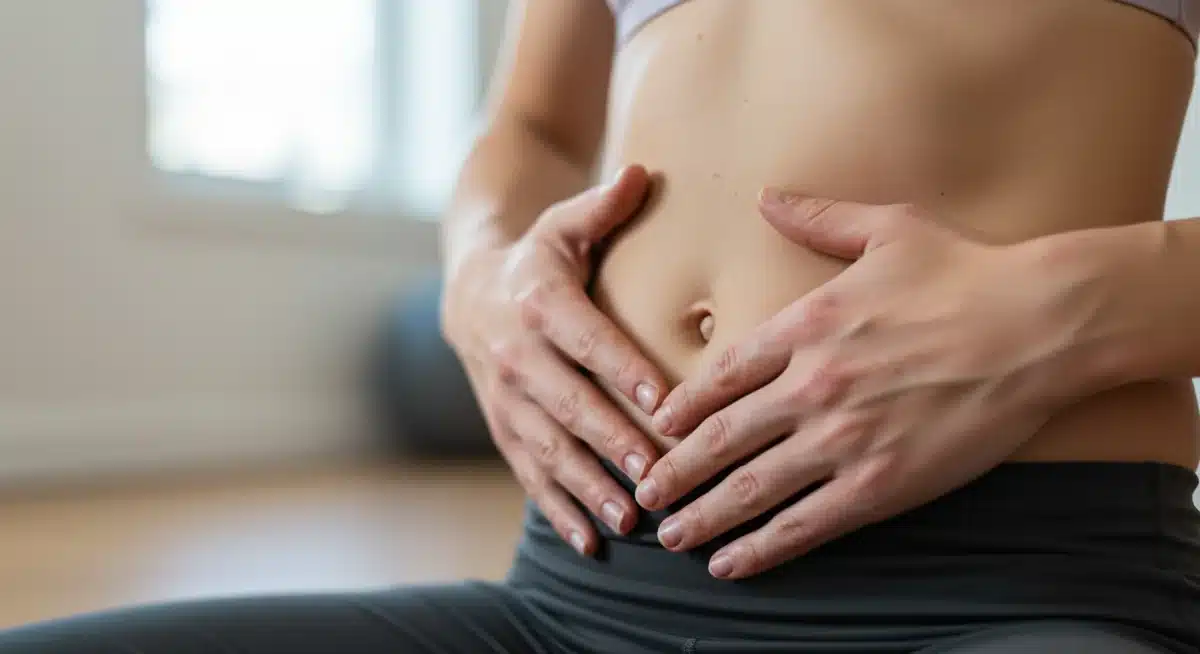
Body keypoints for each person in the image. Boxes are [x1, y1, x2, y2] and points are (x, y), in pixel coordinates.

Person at [4, 0, 1200, 652]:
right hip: (579, 598)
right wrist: (481, 276)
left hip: (1004, 593)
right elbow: (528, 124)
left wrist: (1058, 311)